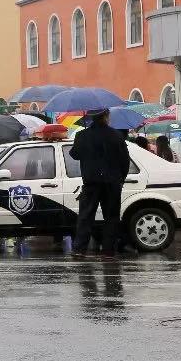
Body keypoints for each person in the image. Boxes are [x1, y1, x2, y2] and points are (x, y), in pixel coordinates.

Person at [69, 109, 127, 255]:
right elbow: (124, 160)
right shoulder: (116, 135)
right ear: (106, 116)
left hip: (91, 182)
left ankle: (79, 249)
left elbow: (74, 154)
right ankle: (108, 249)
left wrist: (82, 140)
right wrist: (121, 179)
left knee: (85, 216)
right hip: (112, 183)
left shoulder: (82, 135)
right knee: (111, 217)